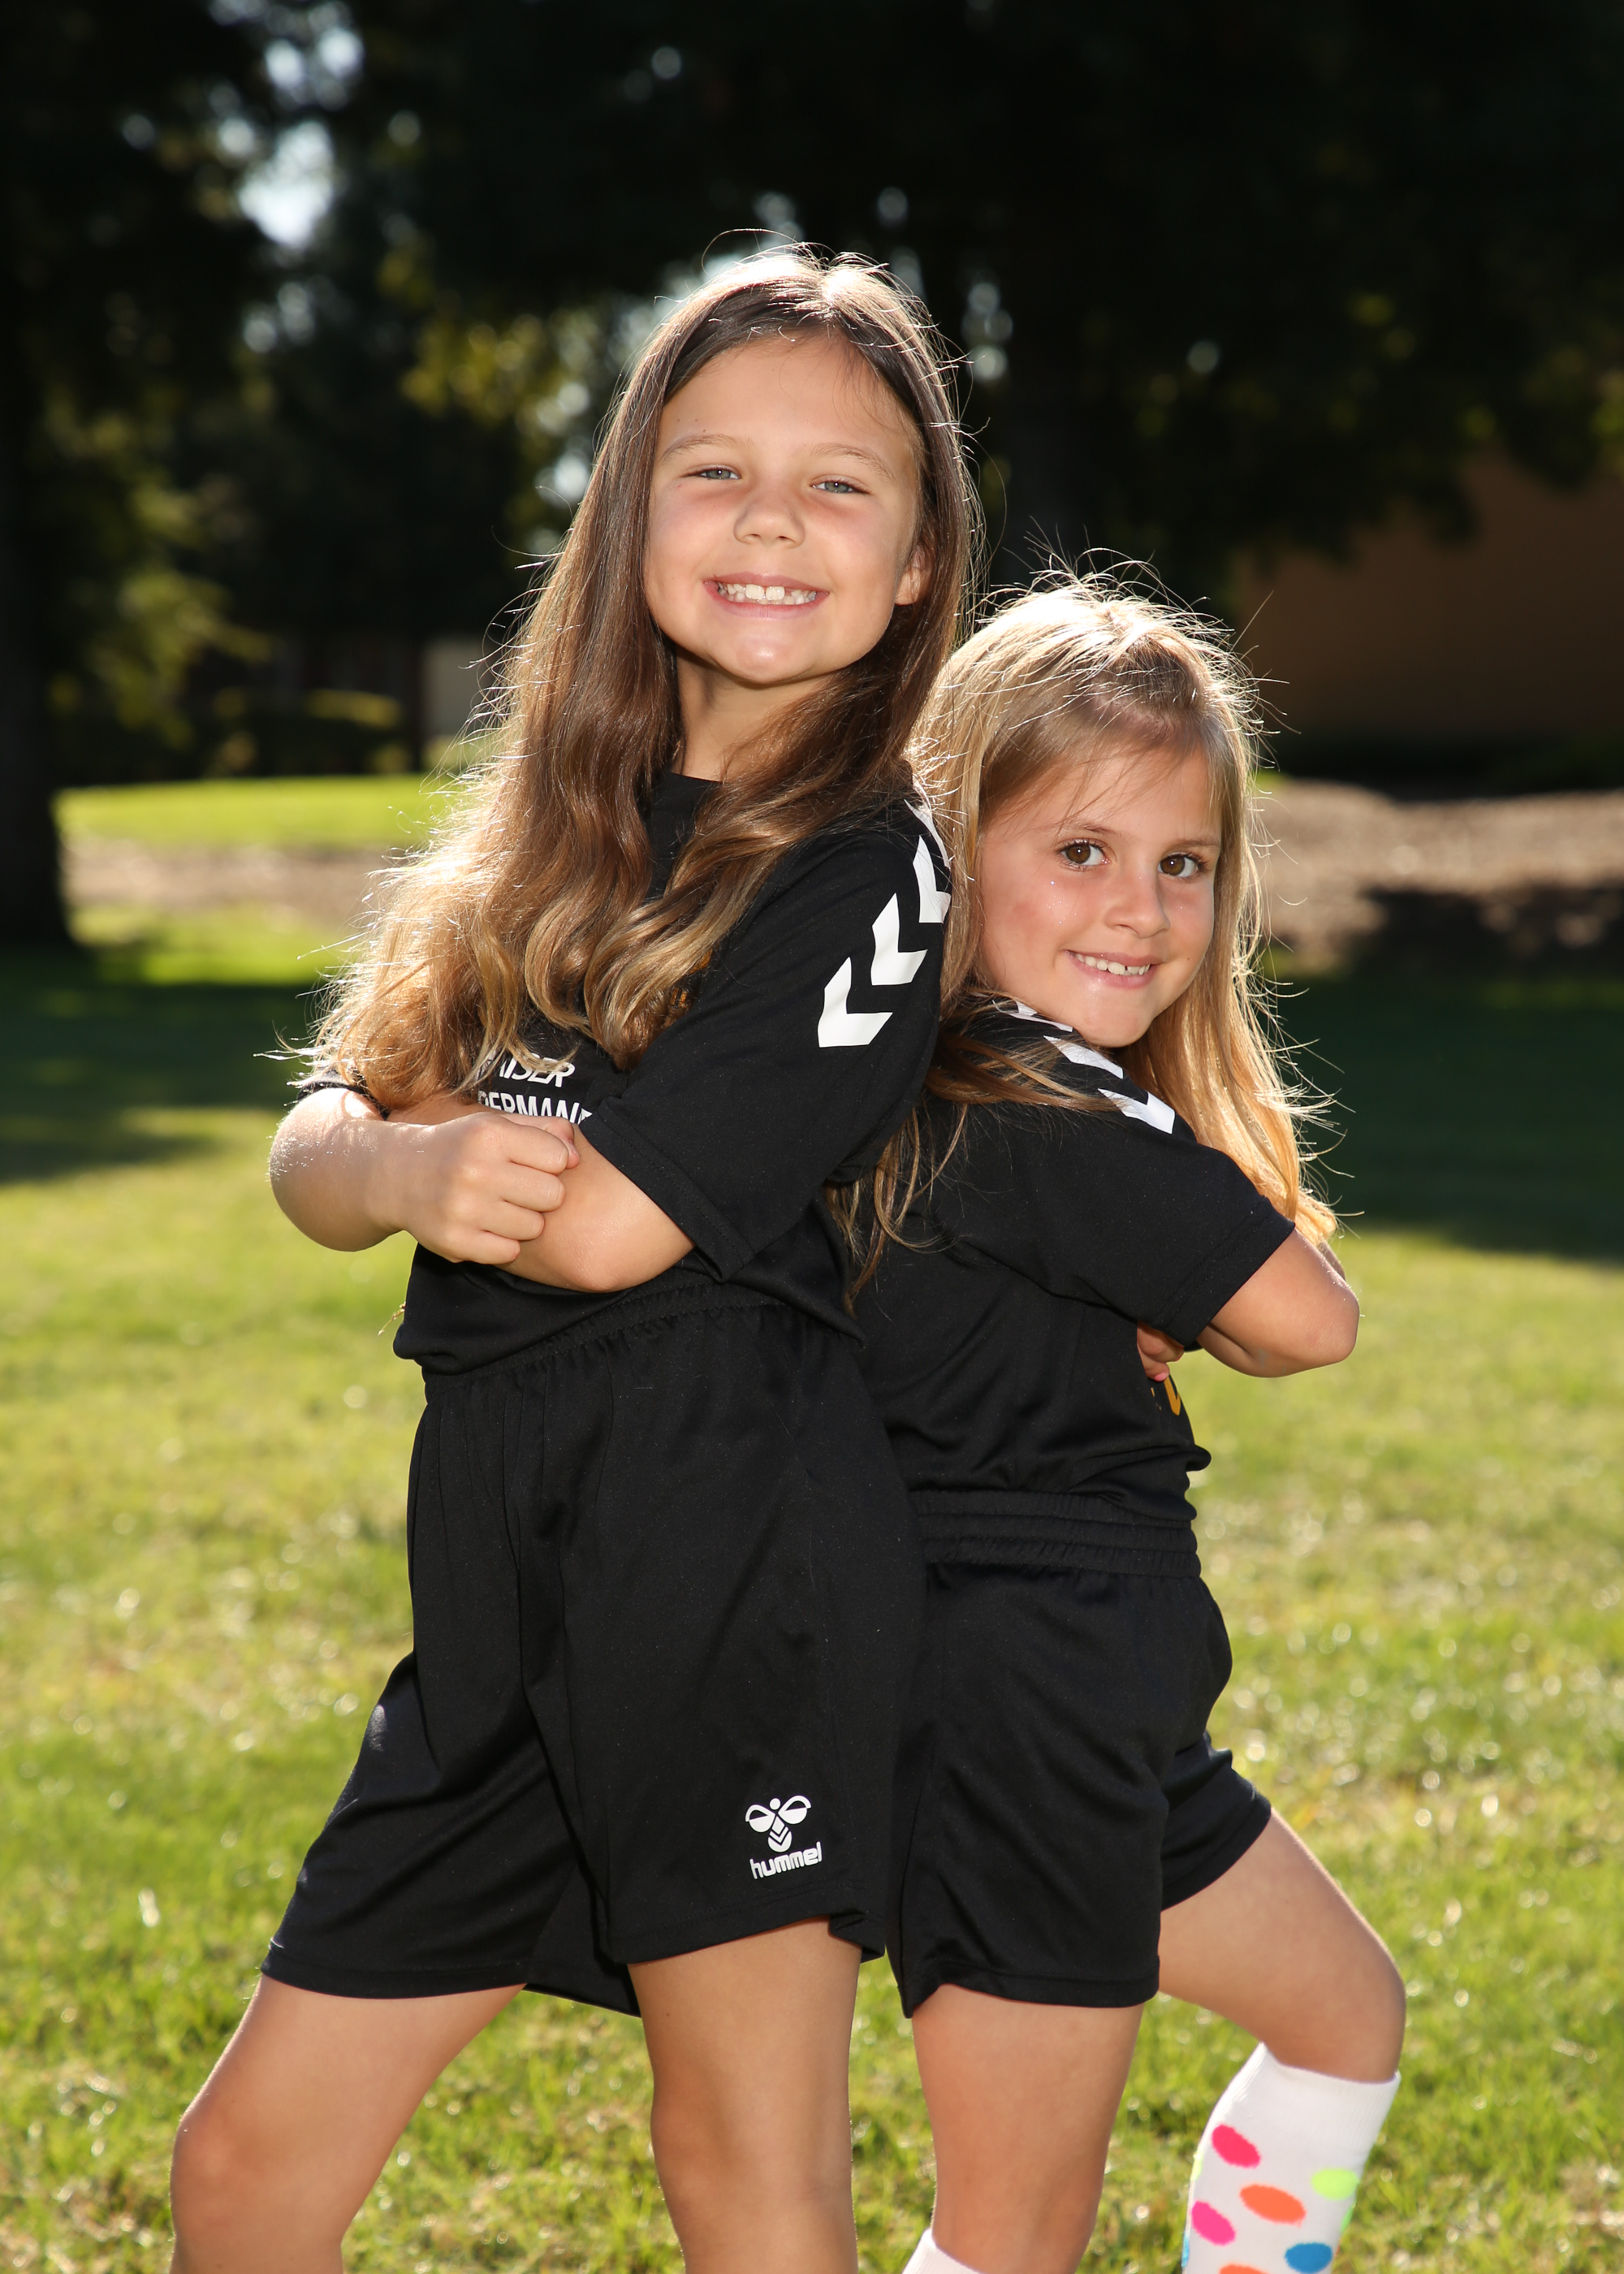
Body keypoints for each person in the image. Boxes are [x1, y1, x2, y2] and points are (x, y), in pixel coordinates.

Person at [166, 249, 977, 2274]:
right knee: (244, 2169)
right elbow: (316, 1146)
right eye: (715, 470)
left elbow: (607, 1228)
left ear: (912, 567)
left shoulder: (872, 867)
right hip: (499, 1603)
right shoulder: (547, 825)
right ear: (627, 514)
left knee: (743, 2173)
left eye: (838, 485)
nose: (771, 520)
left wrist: (428, 1152)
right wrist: (404, 1158)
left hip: (732, 1585)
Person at [841, 580, 1405, 2274]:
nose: (1140, 909)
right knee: (1011, 2234)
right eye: (1079, 850)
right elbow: (1310, 1318)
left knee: (1343, 2012)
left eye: (1183, 863)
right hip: (1016, 1708)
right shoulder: (1026, 1088)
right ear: (951, 851)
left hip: (1101, 1704)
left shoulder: (985, 1088)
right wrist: (1209, 1278)